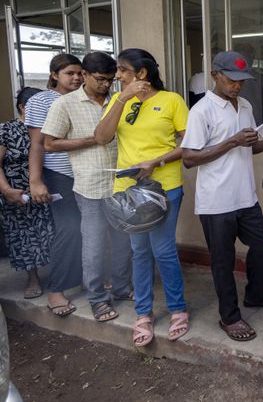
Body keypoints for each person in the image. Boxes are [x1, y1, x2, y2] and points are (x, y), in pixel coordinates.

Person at [182, 51, 263, 343]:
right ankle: (229, 316)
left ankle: (255, 295)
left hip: (246, 195)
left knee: (261, 245)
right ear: (215, 75)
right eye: (231, 80)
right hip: (216, 201)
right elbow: (189, 159)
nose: (237, 86)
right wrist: (231, 141)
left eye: (241, 81)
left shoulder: (245, 105)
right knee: (222, 260)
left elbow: (249, 148)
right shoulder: (201, 111)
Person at [94, 48, 190, 347]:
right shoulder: (118, 101)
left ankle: (177, 309)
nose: (117, 76)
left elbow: (189, 145)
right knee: (139, 251)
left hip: (163, 186)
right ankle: (143, 313)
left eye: (122, 70)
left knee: (162, 251)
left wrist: (155, 162)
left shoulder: (171, 100)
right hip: (128, 191)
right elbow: (101, 137)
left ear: (142, 73)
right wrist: (122, 99)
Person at [42, 51, 132, 323]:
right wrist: (93, 140)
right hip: (90, 186)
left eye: (111, 80)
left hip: (122, 184)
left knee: (122, 243)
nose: (106, 85)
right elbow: (50, 143)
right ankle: (97, 299)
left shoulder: (120, 100)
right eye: (100, 79)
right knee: (92, 246)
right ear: (84, 74)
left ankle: (120, 287)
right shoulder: (66, 104)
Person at [26, 54, 84, 317]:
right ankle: (56, 290)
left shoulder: (87, 97)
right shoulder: (40, 101)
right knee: (69, 228)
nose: (76, 78)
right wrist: (36, 181)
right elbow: (37, 144)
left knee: (92, 229)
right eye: (69, 73)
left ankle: (90, 278)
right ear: (54, 75)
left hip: (87, 173)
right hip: (58, 174)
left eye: (80, 73)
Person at [0, 87, 54, 299]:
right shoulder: (6, 130)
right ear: (23, 107)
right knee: (23, 236)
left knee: (53, 232)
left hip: (49, 190)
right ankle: (33, 277)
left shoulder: (49, 129)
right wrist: (6, 190)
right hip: (18, 192)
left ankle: (61, 274)